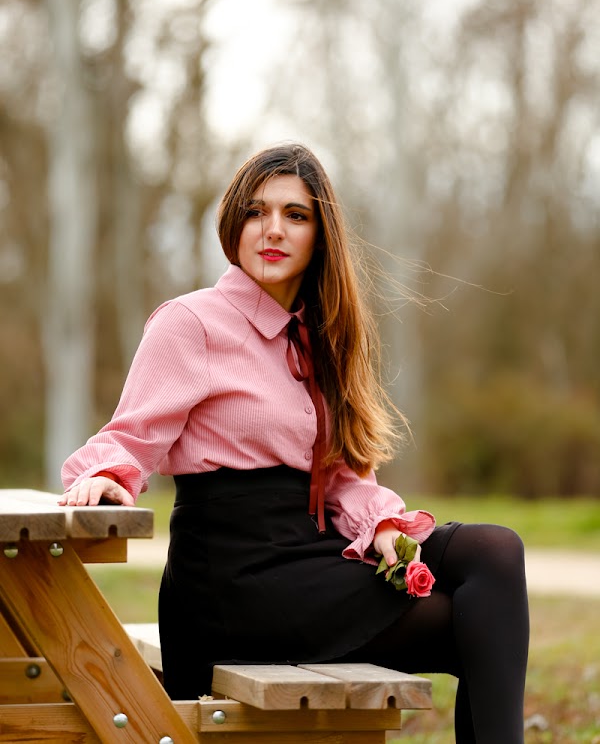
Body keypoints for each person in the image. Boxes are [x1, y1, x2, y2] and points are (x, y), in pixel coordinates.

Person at [60, 141, 529, 743]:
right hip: (234, 580)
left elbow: (342, 476)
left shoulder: (320, 336)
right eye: (256, 212)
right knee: (475, 626)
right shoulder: (191, 322)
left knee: (495, 551)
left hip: (311, 557)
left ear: (320, 235)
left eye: (295, 215)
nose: (273, 230)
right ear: (233, 224)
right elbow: (131, 434)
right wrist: (105, 475)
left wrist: (382, 527)